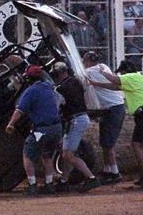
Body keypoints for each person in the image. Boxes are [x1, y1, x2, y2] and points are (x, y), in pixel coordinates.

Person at [88, 60, 143, 188]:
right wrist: (96, 83)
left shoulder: (131, 77)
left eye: (122, 72)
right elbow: (114, 87)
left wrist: (102, 71)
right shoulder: (136, 78)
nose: (121, 74)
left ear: (126, 70)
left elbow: (114, 80)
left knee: (138, 144)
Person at [5, 65, 62, 195]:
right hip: (57, 128)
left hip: (41, 130)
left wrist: (10, 124)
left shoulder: (31, 91)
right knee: (47, 156)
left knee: (27, 155)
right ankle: (49, 185)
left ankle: (32, 185)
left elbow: (19, 110)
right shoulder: (49, 86)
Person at [50, 62, 100, 193]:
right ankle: (64, 181)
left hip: (75, 121)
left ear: (58, 74)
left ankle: (91, 178)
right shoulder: (75, 81)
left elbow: (55, 109)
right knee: (66, 152)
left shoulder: (60, 89)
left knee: (67, 154)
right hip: (81, 118)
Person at [83, 52, 125, 184]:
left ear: (88, 61)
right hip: (112, 107)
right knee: (105, 142)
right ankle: (108, 170)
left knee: (108, 144)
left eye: (84, 60)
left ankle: (115, 173)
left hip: (113, 108)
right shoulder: (103, 66)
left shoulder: (89, 72)